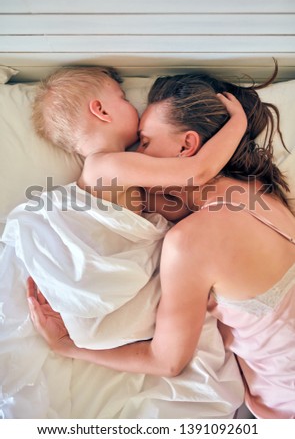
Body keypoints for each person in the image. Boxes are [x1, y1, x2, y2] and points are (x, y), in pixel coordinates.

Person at [28, 70, 295, 419]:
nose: (136, 156)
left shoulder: (191, 243)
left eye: (145, 143)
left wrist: (68, 347)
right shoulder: (262, 192)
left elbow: (166, 361)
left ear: (187, 146)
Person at [31, 66, 247, 216]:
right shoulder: (106, 166)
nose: (134, 107)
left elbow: (177, 210)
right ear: (101, 111)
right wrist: (238, 123)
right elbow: (197, 172)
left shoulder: (117, 174)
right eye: (123, 98)